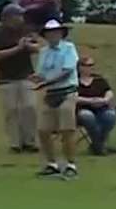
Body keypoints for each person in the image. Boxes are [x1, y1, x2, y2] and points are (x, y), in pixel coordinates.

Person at [31, 18, 81, 178]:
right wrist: (36, 78)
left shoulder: (69, 48)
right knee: (43, 130)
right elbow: (42, 73)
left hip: (67, 92)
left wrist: (46, 81)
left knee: (67, 130)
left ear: (61, 33)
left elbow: (67, 71)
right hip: (50, 93)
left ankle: (71, 164)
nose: (52, 35)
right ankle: (52, 163)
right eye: (49, 33)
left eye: (55, 32)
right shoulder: (44, 52)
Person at [0, 5, 40, 152]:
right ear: (9, 17)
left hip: (26, 75)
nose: (22, 18)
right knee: (11, 110)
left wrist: (28, 45)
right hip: (6, 77)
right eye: (18, 15)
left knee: (29, 107)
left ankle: (30, 141)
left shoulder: (26, 30)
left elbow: (37, 48)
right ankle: (15, 143)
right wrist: (18, 48)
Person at [74, 56, 116, 155]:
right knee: (87, 116)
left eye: (91, 65)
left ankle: (97, 144)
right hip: (82, 109)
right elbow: (74, 97)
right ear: (79, 67)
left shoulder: (98, 79)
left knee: (111, 115)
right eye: (86, 65)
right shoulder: (74, 80)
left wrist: (104, 100)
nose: (89, 68)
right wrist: (91, 101)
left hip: (101, 108)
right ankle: (99, 146)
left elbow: (109, 92)